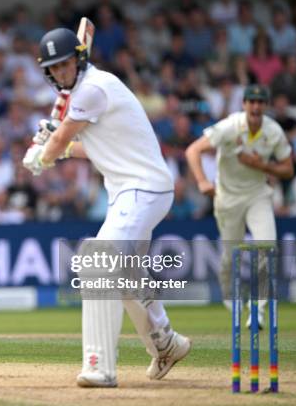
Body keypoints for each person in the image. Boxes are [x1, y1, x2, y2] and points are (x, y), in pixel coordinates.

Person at [23, 28, 191, 388]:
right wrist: (57, 145)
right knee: (126, 275)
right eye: (55, 68)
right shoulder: (86, 94)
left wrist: (42, 155)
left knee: (97, 259)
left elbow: (61, 139)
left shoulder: (93, 89)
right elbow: (90, 146)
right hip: (128, 194)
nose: (62, 72)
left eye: (66, 64)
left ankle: (99, 366)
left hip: (143, 190)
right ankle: (165, 341)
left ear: (79, 59)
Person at [186, 85, 293, 328]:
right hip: (228, 198)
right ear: (244, 104)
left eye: (260, 102)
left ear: (265, 106)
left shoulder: (273, 131)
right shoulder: (229, 127)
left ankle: (259, 312)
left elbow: (287, 169)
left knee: (267, 249)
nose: (255, 106)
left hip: (258, 196)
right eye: (251, 102)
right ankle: (231, 298)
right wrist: (203, 180)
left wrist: (261, 166)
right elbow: (193, 150)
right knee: (229, 256)